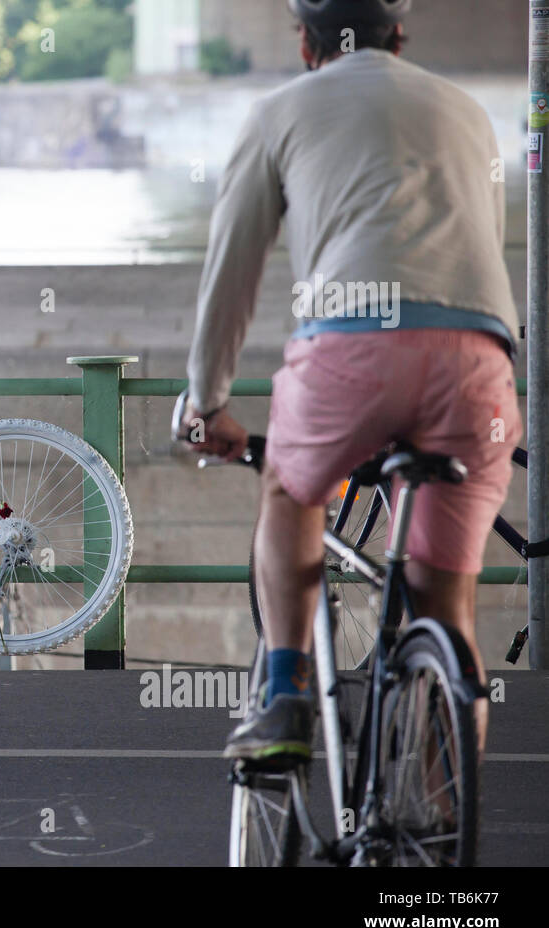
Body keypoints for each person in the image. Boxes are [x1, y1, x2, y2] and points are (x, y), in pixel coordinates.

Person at [177, 0, 520, 763]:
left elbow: (231, 272)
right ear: (401, 36)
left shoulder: (279, 112)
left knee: (290, 491)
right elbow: (481, 253)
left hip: (352, 351)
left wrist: (207, 401)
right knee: (447, 609)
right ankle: (436, 834)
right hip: (477, 365)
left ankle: (287, 695)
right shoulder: (467, 110)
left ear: (305, 42)